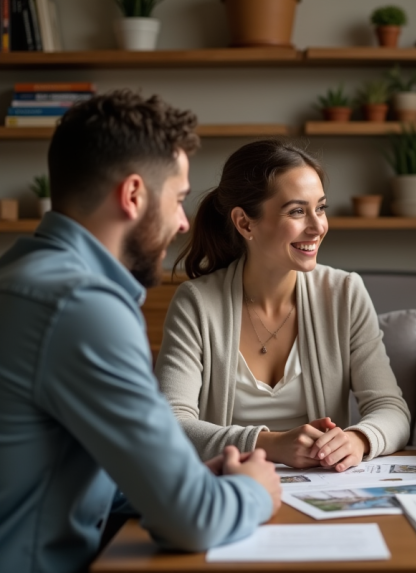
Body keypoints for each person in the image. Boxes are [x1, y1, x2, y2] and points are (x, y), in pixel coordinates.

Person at [0, 90, 282, 573]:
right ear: (133, 195)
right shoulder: (82, 306)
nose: (182, 222)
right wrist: (254, 490)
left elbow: (53, 466)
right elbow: (192, 521)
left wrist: (188, 478)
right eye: (176, 198)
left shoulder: (21, 275)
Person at [156, 139, 410, 472]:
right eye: (297, 211)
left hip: (325, 488)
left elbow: (391, 408)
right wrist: (271, 444)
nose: (318, 226)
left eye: (320, 208)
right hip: (229, 486)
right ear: (245, 223)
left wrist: (358, 439)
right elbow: (169, 423)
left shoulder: (345, 292)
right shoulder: (197, 303)